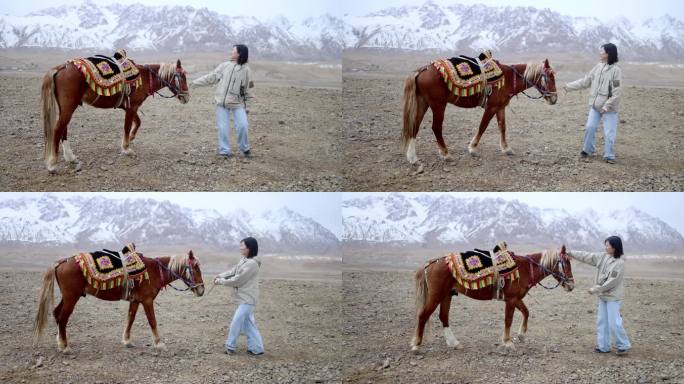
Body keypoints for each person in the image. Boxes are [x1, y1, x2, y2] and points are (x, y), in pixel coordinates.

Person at [566, 236, 631, 355]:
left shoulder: (619, 263)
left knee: (614, 322)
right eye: (605, 245)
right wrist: (571, 253)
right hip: (603, 296)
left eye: (608, 246)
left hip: (612, 298)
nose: (606, 248)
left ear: (615, 247)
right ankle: (604, 346)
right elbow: (587, 256)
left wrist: (596, 289)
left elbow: (612, 281)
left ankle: (624, 345)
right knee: (602, 322)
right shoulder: (603, 257)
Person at [564, 43, 622, 164]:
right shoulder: (598, 67)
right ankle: (587, 150)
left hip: (609, 108)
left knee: (609, 133)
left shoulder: (616, 71)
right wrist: (568, 87)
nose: (600, 53)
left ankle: (609, 155)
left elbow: (617, 92)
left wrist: (607, 106)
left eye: (602, 51)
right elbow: (586, 81)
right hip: (595, 106)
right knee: (590, 127)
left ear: (608, 54)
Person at [192, 44, 254, 158]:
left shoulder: (246, 70)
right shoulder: (225, 65)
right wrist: (195, 83)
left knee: (243, 126)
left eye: (233, 51)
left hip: (238, 104)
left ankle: (245, 148)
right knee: (223, 128)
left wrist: (248, 106)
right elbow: (211, 77)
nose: (231, 52)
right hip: (221, 103)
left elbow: (249, 90)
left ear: (239, 53)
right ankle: (224, 151)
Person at [214, 237, 264, 355]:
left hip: (248, 299)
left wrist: (220, 281)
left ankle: (230, 346)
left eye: (243, 246)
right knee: (249, 324)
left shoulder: (251, 264)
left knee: (236, 321)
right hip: (244, 298)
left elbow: (238, 280)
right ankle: (257, 348)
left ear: (249, 248)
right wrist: (220, 275)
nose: (240, 248)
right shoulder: (244, 260)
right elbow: (233, 271)